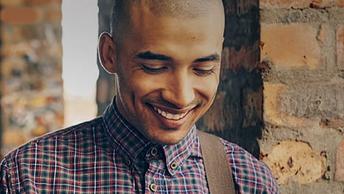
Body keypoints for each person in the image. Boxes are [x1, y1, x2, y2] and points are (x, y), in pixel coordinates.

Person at [0, 0, 279, 193]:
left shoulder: (248, 181)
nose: (181, 96)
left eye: (203, 69)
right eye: (154, 68)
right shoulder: (29, 176)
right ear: (110, 55)